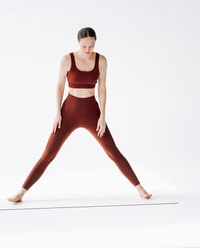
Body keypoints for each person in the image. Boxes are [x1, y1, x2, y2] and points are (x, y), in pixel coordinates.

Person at [8, 27, 152, 203]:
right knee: (49, 154)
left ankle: (140, 188)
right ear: (78, 42)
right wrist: (57, 113)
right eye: (84, 46)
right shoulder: (67, 59)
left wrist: (103, 116)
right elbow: (60, 85)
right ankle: (21, 192)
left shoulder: (101, 60)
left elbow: (102, 88)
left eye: (91, 46)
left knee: (113, 151)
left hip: (92, 111)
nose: (88, 50)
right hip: (69, 112)